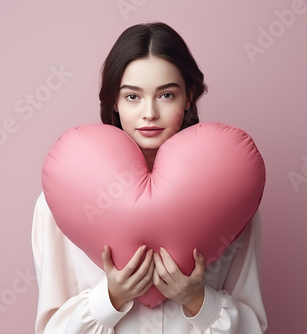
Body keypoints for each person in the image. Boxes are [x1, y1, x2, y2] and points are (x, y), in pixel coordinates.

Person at [32, 22, 268, 333]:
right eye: (132, 97)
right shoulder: (61, 198)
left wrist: (197, 300)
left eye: (166, 95)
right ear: (114, 101)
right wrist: (111, 297)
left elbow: (253, 326)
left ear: (188, 97)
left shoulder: (231, 192)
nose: (149, 113)